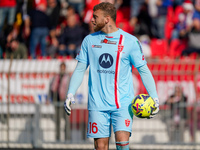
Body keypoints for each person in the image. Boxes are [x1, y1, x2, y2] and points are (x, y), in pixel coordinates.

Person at [64, 2, 159, 150]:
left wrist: (154, 97)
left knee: (122, 143)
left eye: (96, 17)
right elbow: (79, 69)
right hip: (97, 105)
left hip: (123, 104)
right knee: (100, 147)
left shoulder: (130, 41)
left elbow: (144, 70)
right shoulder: (89, 41)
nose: (92, 20)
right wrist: (70, 93)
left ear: (107, 19)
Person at [49, 62, 70, 140]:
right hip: (57, 100)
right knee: (57, 121)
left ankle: (67, 138)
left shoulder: (67, 78)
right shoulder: (56, 77)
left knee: (66, 121)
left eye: (63, 68)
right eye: (61, 68)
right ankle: (57, 138)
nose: (62, 69)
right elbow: (51, 88)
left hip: (65, 101)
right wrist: (49, 98)